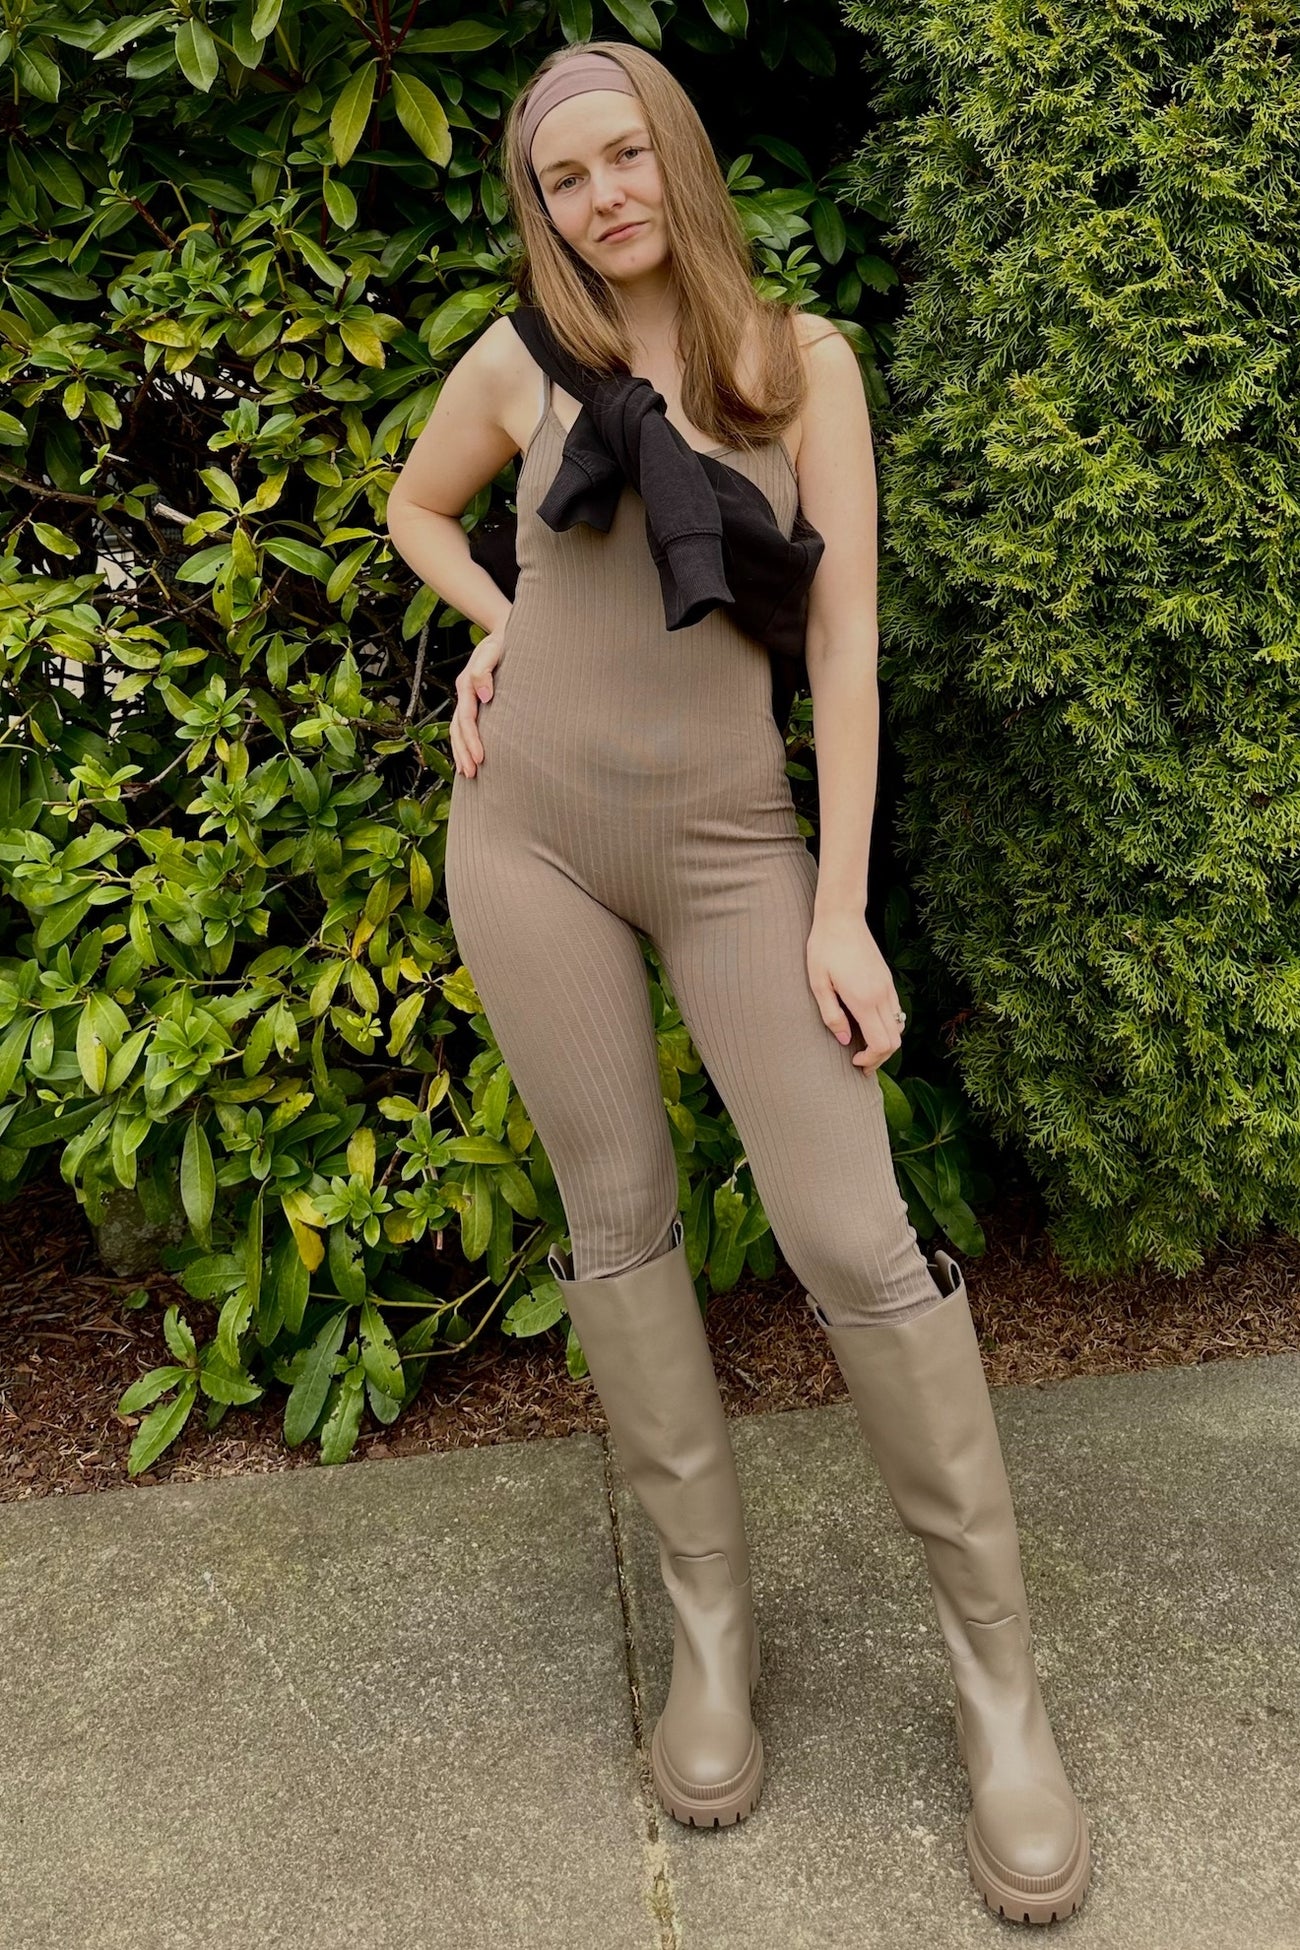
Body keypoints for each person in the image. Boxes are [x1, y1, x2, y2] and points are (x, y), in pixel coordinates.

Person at [384, 39, 1091, 1925]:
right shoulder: (517, 363)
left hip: (729, 848)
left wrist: (836, 908)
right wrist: (498, 623)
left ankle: (1000, 1688)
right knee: (616, 1215)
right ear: (538, 208)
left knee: (852, 1232)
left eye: (626, 157)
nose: (602, 196)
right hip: (526, 838)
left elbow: (843, 647)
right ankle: (709, 1628)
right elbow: (414, 510)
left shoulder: (800, 365)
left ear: (677, 160)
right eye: (564, 179)